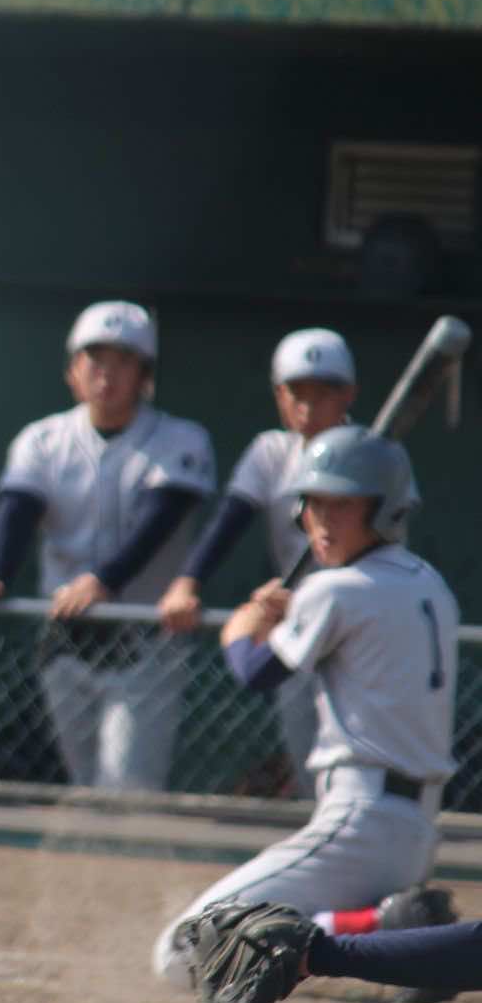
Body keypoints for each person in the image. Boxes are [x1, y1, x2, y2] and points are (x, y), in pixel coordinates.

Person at [153, 425, 460, 1003]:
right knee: (248, 931)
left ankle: (383, 925)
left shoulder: (336, 589)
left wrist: (243, 624)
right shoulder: (429, 583)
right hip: (416, 827)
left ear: (385, 509)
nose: (322, 519)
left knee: (180, 950)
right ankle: (384, 921)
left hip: (360, 820)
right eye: (314, 502)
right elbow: (360, 622)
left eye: (343, 504)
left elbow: (256, 671)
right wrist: (290, 614)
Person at [0, 301, 215, 792]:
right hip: (68, 637)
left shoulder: (182, 439)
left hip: (146, 640)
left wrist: (102, 582)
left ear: (145, 375)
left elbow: (161, 521)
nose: (107, 374)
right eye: (96, 359)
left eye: (124, 362)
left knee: (126, 786)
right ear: (72, 370)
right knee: (83, 780)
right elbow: (17, 510)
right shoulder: (43, 438)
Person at [157, 328, 367, 798]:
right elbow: (230, 520)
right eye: (298, 394)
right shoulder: (271, 451)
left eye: (324, 393)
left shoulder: (374, 456)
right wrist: (186, 581)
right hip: (299, 628)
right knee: (313, 773)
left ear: (349, 395)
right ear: (279, 396)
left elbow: (378, 550)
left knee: (358, 772)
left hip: (360, 634)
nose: (309, 408)